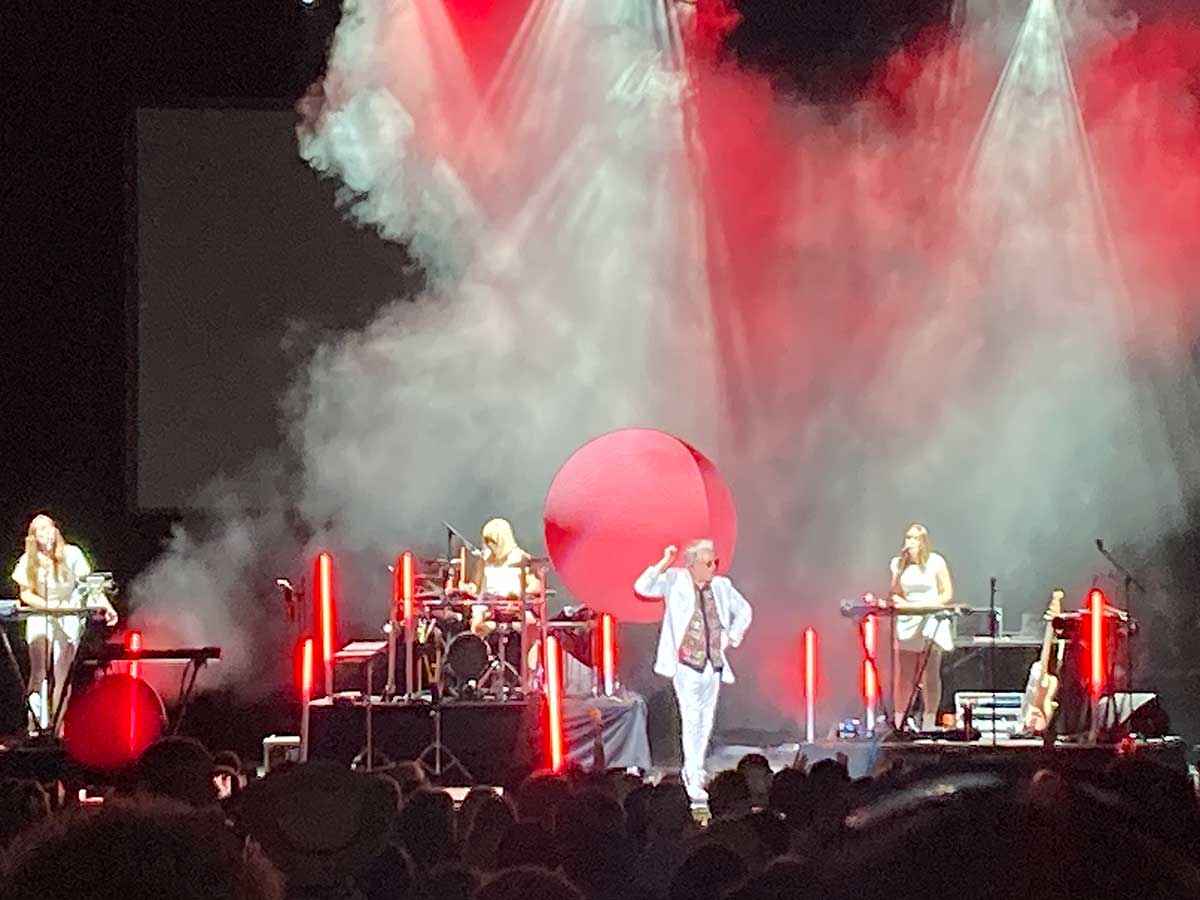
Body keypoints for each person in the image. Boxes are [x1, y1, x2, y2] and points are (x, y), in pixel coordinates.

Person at [635, 539, 752, 806]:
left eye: (715, 562)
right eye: (708, 563)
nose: (713, 567)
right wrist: (665, 561)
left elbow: (744, 610)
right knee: (691, 717)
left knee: (706, 717)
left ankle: (697, 767)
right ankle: (692, 772)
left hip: (713, 663)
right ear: (691, 564)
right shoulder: (674, 580)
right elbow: (642, 587)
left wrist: (731, 637)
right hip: (686, 663)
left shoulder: (722, 586)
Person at [10, 514, 117, 726]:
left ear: (55, 531)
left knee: (62, 673)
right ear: (33, 537)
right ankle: (36, 725)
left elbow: (91, 587)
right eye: (38, 530)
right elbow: (26, 594)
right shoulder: (28, 560)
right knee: (39, 671)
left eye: (47, 528)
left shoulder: (72, 554)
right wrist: (49, 607)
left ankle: (58, 726)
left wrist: (107, 606)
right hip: (40, 615)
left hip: (68, 615)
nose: (45, 534)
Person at [888, 523, 954, 731]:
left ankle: (929, 721)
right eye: (908, 537)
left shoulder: (936, 562)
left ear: (923, 541)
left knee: (930, 673)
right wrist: (901, 602)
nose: (910, 542)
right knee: (904, 676)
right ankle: (900, 721)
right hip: (908, 618)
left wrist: (932, 604)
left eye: (915, 538)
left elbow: (947, 592)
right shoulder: (898, 563)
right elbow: (895, 592)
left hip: (930, 617)